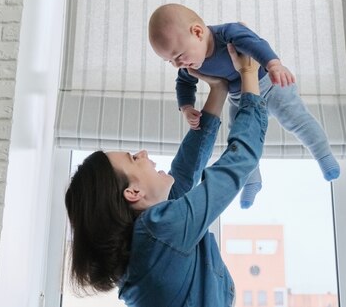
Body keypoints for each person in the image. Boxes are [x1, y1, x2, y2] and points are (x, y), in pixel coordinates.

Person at [65, 45, 268, 307]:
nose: (144, 153)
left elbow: (184, 172)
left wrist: (218, 89)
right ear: (133, 192)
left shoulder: (150, 242)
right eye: (133, 159)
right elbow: (234, 168)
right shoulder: (160, 233)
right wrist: (249, 74)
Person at [148, 3, 340, 209]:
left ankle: (324, 155)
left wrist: (274, 64)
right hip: (239, 98)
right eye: (170, 62)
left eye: (178, 56)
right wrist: (186, 107)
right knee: (238, 140)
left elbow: (255, 43)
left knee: (297, 120)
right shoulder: (190, 65)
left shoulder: (227, 34)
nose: (178, 65)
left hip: (271, 85)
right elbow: (184, 83)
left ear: (197, 32)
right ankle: (252, 182)